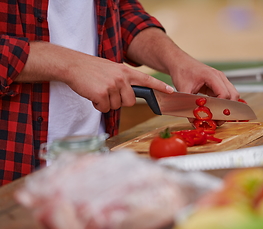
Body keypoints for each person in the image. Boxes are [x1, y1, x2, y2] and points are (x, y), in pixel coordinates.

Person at [0, 0, 239, 186]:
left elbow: (119, 12)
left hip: (96, 166)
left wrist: (176, 60)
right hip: (13, 175)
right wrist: (69, 65)